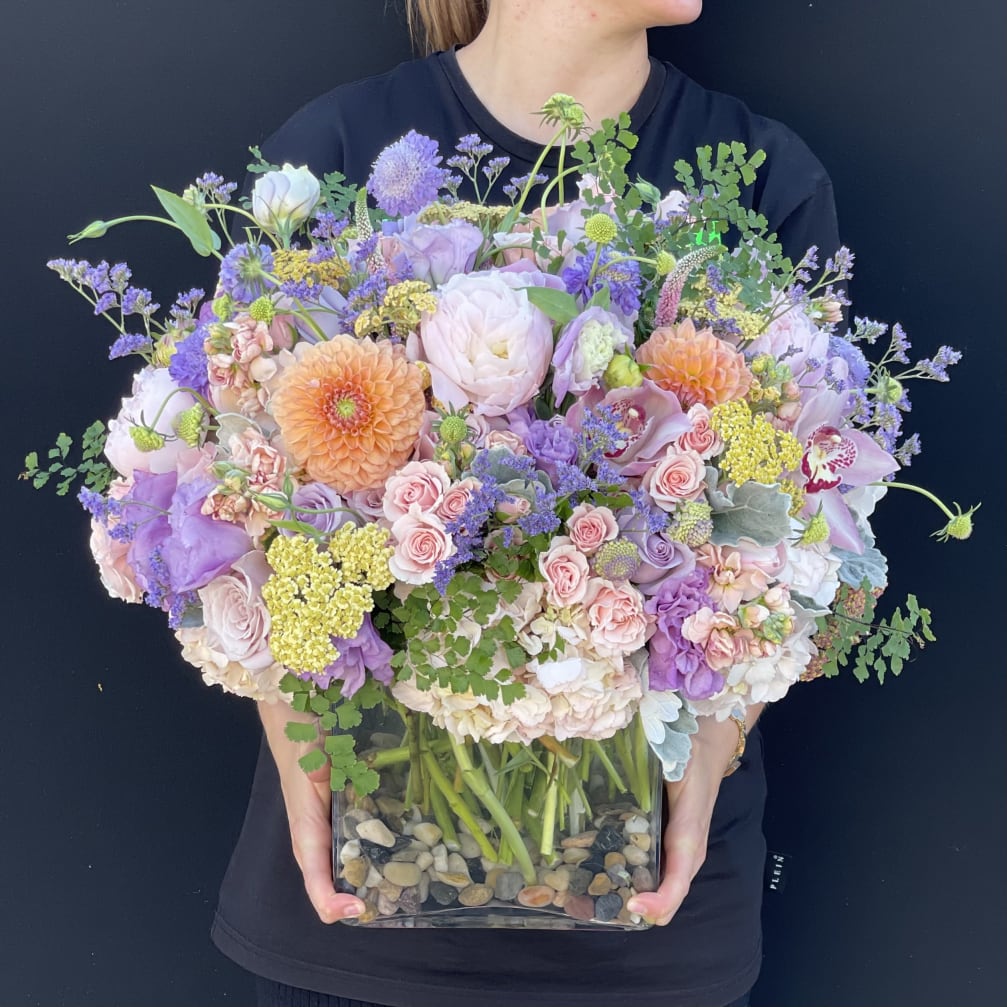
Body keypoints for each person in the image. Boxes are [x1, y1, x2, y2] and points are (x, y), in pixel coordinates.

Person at [211, 3, 843, 1006]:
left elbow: (817, 519)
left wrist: (711, 743)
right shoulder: (339, 153)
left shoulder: (760, 176)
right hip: (363, 922)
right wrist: (298, 731)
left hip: (648, 924)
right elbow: (233, 497)